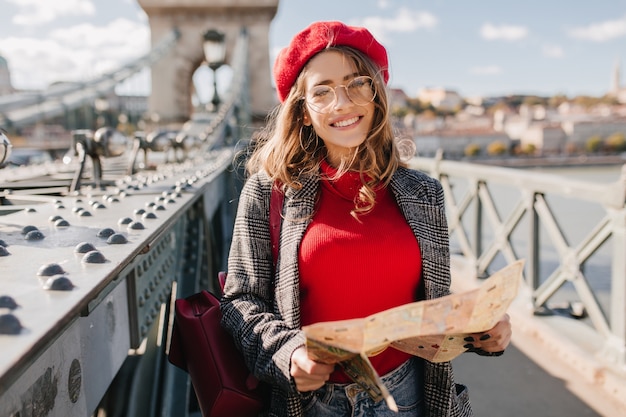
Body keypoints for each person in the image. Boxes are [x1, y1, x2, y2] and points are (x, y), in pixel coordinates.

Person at [220, 20, 512, 417]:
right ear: (304, 113)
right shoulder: (268, 192)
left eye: (357, 83)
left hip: (410, 398)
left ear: (376, 95)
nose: (342, 103)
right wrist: (289, 355)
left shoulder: (424, 194)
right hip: (313, 404)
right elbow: (240, 302)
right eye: (322, 92)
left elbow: (433, 306)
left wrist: (485, 332)